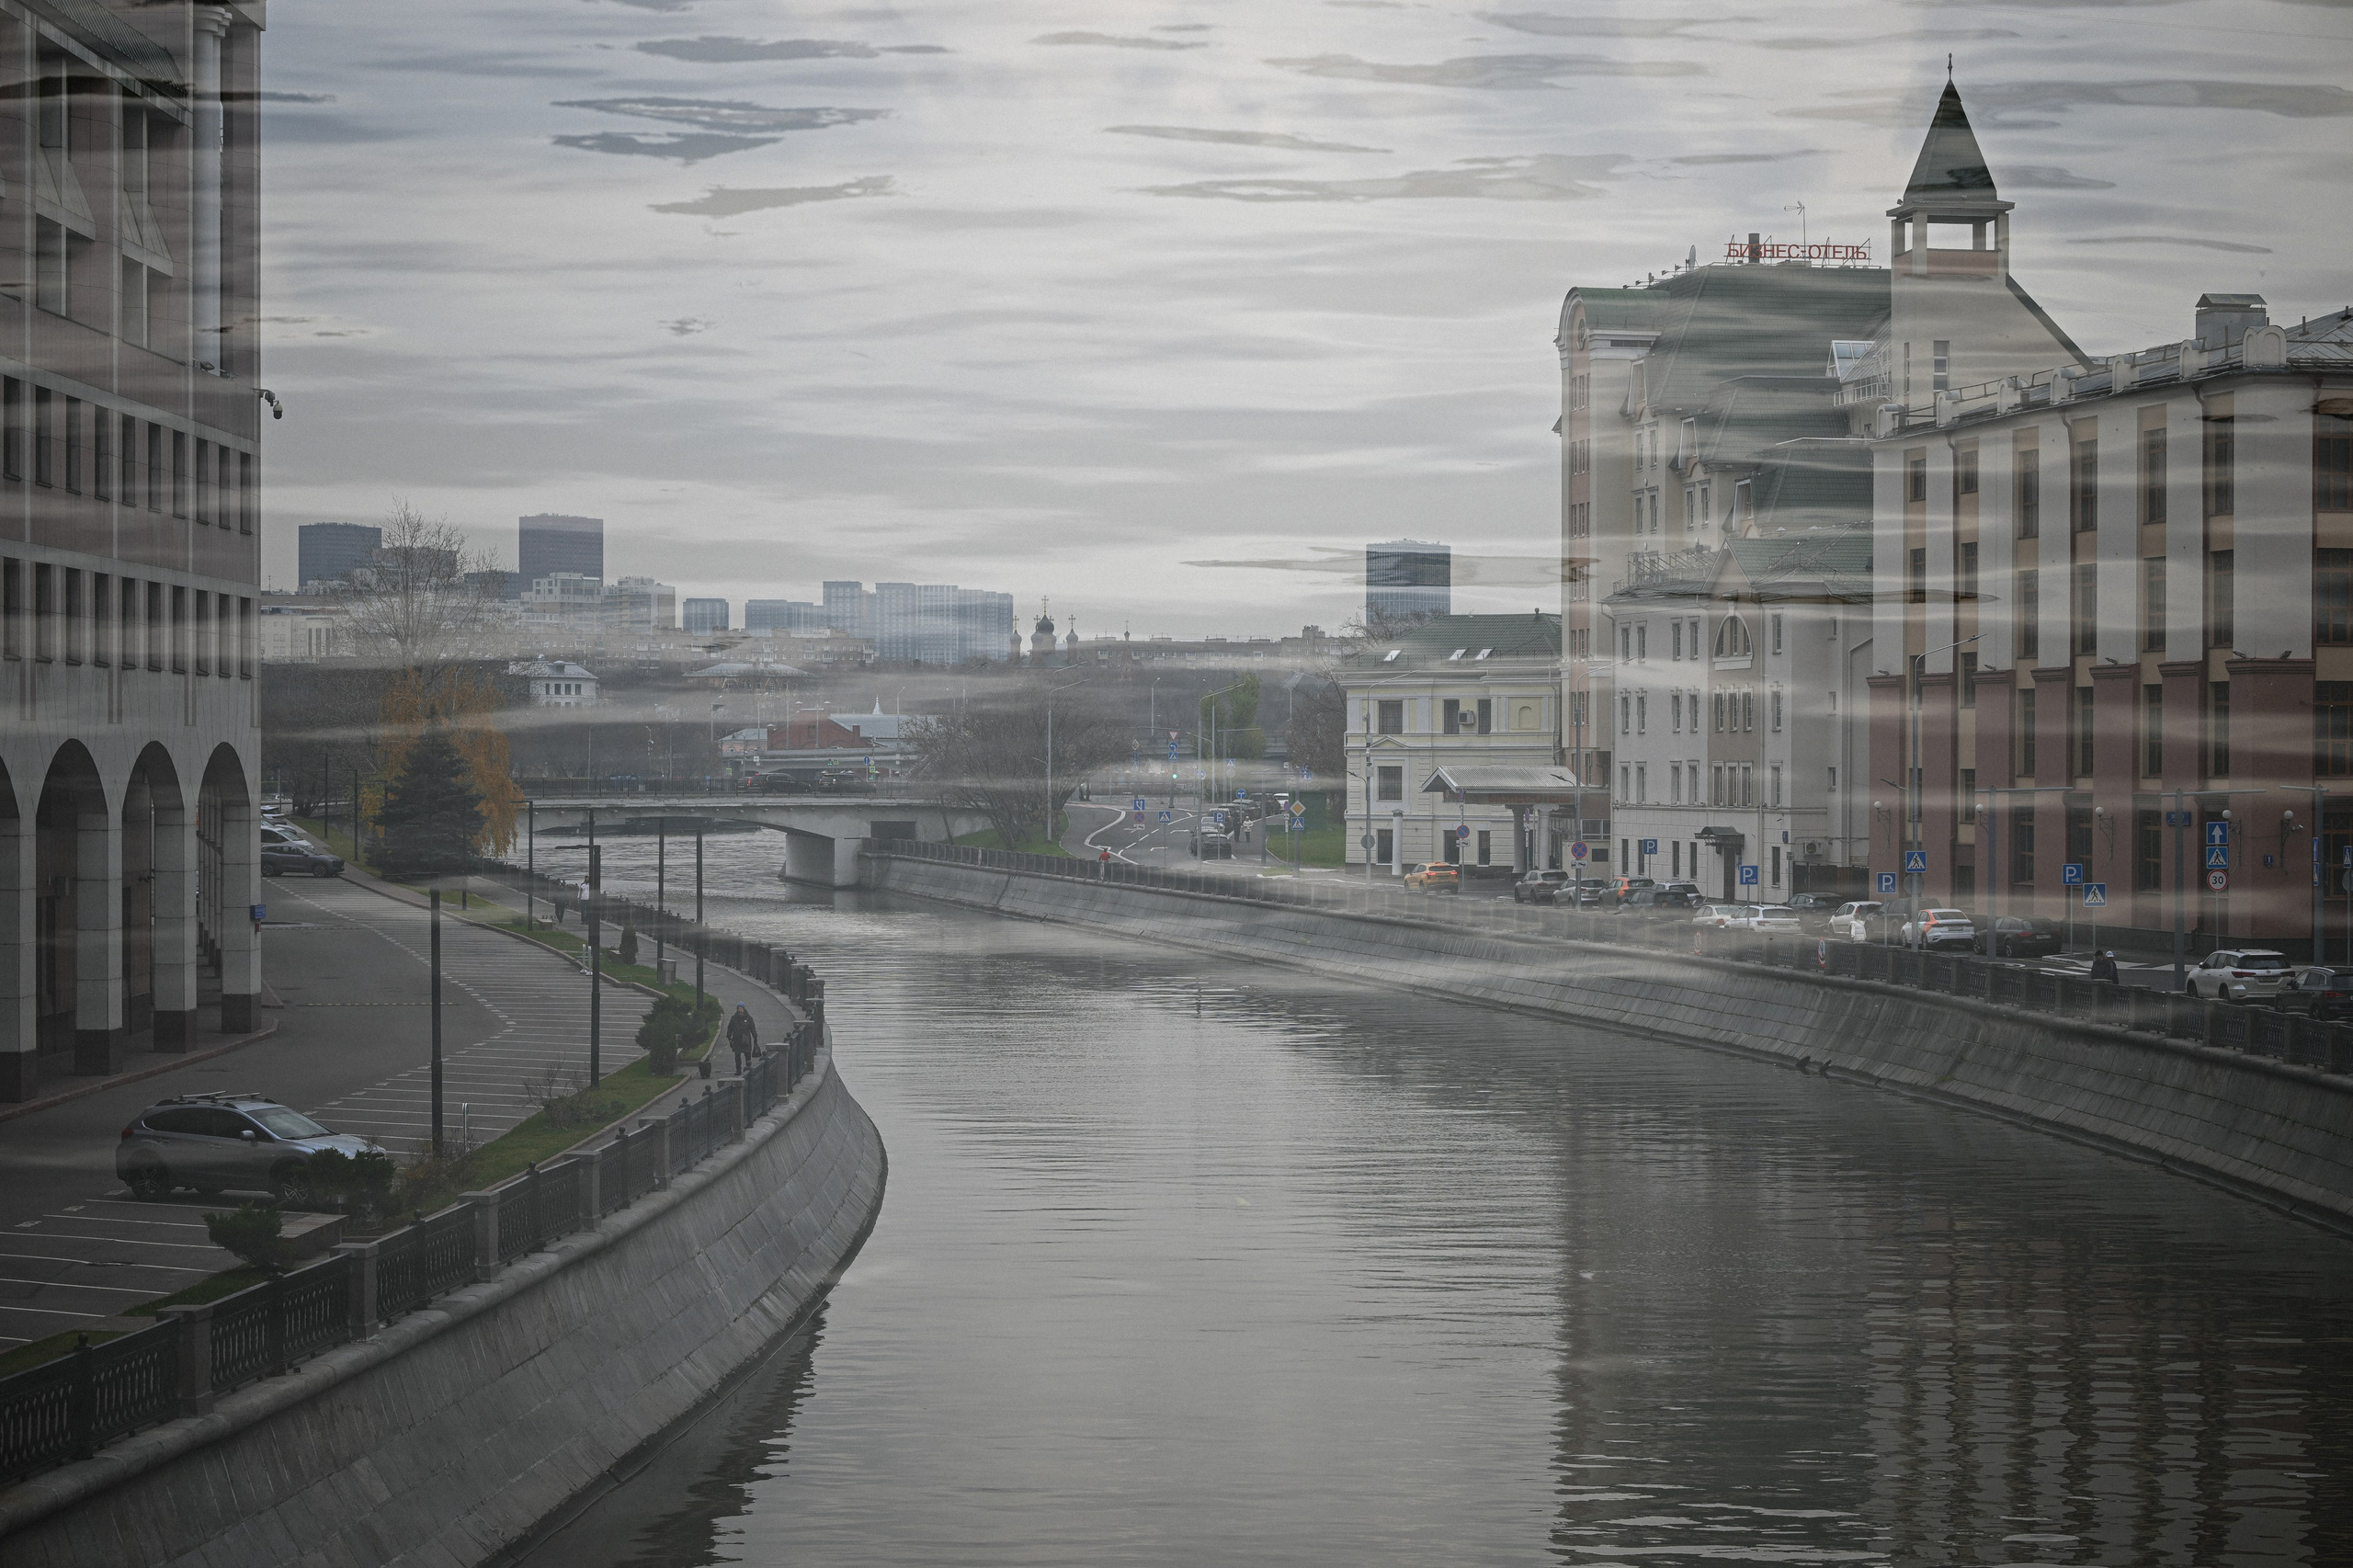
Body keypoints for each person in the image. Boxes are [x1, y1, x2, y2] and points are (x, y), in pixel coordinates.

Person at [726, 1004, 758, 1074]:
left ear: (744, 1009)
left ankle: (748, 1069)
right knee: (737, 1055)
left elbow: (752, 1028)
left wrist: (755, 1036)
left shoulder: (749, 1018)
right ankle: (738, 1069)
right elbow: (730, 1027)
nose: (739, 1010)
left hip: (746, 1039)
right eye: (738, 1009)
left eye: (741, 1009)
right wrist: (729, 1036)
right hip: (736, 1039)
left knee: (747, 1055)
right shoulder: (734, 1018)